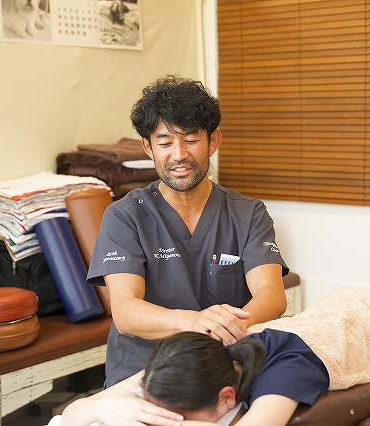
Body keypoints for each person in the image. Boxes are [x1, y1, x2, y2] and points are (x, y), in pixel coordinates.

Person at [58, 278, 370, 426]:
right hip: (335, 312)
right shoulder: (189, 358)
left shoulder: (286, 375)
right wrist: (104, 407)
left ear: (228, 398)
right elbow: (73, 412)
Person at [86, 75, 289, 388]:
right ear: (148, 147)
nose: (179, 154)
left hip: (224, 357)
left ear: (213, 141)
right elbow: (125, 312)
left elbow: (271, 296)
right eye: (165, 142)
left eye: (191, 140)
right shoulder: (124, 216)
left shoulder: (248, 213)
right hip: (147, 366)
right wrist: (196, 322)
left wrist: (224, 332)